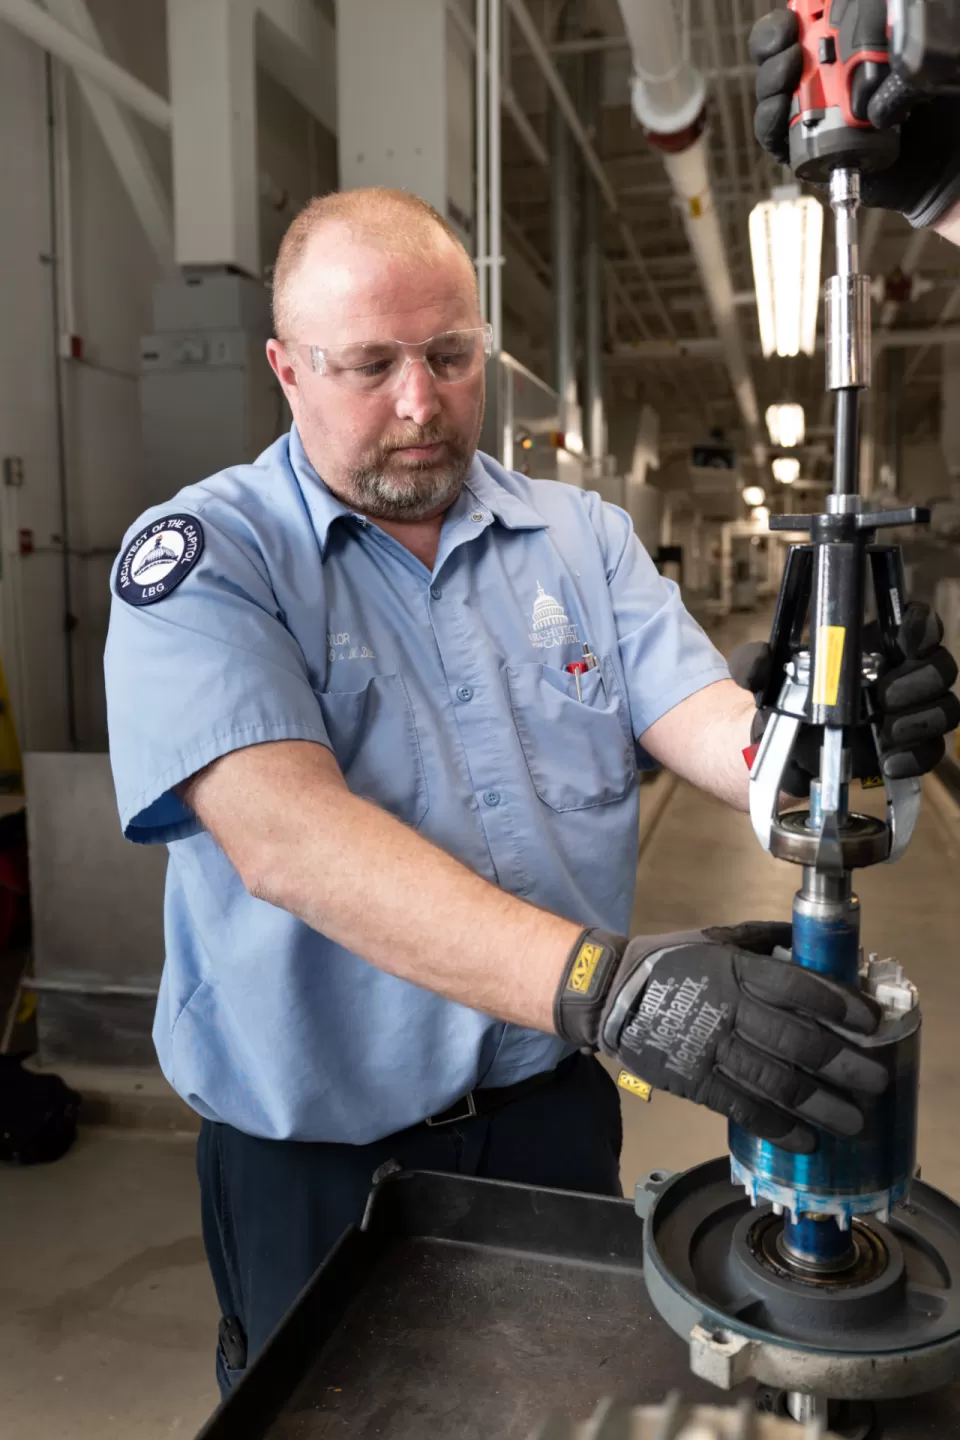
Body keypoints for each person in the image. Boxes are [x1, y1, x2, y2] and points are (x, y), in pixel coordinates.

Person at [104, 34, 960, 1389]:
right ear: (283, 366)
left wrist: (825, 738)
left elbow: (700, 718)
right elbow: (288, 840)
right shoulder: (208, 557)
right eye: (367, 365)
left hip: (552, 1114)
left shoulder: (580, 537)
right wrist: (609, 989)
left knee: (552, 1408)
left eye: (449, 356)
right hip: (317, 1157)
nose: (419, 404)